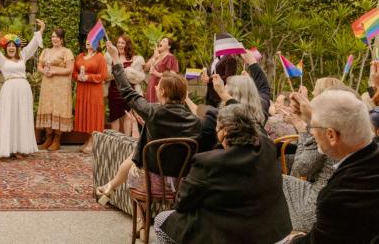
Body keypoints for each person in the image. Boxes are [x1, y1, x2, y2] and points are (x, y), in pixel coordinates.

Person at [154, 104, 292, 244]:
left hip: (231, 235)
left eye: (217, 126)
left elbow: (182, 204)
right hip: (275, 232)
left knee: (161, 219)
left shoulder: (208, 162)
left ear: (224, 131)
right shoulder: (267, 146)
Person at [96, 40, 200, 208]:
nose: (156, 87)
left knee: (138, 158)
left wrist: (116, 59)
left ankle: (141, 221)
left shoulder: (153, 112)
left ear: (163, 92)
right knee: (146, 139)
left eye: (158, 86)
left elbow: (127, 92)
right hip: (183, 180)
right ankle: (111, 187)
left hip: (153, 178)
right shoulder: (195, 122)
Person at [286, 90, 379, 243]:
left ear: (331, 135)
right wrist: (313, 116)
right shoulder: (370, 157)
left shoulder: (337, 196)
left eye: (313, 129)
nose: (312, 133)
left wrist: (293, 239)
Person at [281, 82, 362, 233]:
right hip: (344, 206)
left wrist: (305, 130)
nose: (311, 98)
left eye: (315, 94)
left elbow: (302, 168)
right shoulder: (359, 136)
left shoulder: (327, 133)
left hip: (317, 210)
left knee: (274, 180)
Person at [0, 20, 44, 158]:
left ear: (17, 48)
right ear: (5, 48)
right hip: (9, 90)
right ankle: (8, 148)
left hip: (23, 90)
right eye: (8, 46)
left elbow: (33, 45)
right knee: (9, 117)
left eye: (13, 46)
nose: (11, 48)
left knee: (22, 117)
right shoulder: (1, 58)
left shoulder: (23, 56)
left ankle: (20, 148)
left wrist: (42, 29)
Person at [35, 27, 75, 151]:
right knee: (48, 108)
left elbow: (70, 69)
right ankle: (48, 138)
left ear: (61, 39)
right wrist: (44, 71)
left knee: (58, 109)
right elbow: (39, 67)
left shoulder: (66, 52)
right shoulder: (46, 51)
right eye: (52, 36)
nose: (54, 39)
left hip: (61, 86)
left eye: (57, 37)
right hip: (47, 84)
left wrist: (54, 72)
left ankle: (57, 139)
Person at [106, 35, 145, 136]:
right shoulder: (111, 58)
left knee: (128, 117)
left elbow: (138, 77)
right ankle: (115, 143)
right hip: (114, 92)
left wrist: (125, 72)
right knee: (114, 118)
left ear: (127, 45)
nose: (120, 45)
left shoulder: (135, 59)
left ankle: (127, 141)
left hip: (128, 92)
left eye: (122, 43)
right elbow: (107, 74)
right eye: (118, 42)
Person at [73, 39, 108, 153]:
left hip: (94, 89)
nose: (88, 42)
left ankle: (93, 141)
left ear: (97, 43)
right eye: (87, 40)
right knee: (86, 113)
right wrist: (77, 77)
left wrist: (89, 77)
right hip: (82, 89)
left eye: (92, 40)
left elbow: (103, 75)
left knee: (93, 113)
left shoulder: (100, 57)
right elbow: (74, 72)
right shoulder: (80, 56)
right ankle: (88, 140)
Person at [143, 37, 179, 103]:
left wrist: (158, 74)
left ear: (169, 46)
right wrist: (154, 57)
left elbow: (173, 75)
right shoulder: (156, 56)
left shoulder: (171, 58)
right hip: (151, 86)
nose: (161, 42)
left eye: (164, 41)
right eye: (161, 41)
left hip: (161, 88)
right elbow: (145, 68)